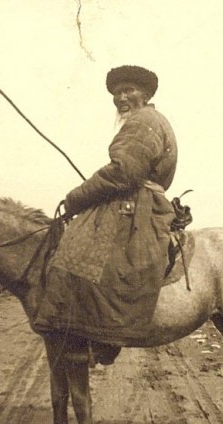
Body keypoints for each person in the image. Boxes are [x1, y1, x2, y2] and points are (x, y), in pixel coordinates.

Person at [34, 65, 178, 359]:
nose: (121, 97)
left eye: (129, 90)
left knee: (75, 255)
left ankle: (99, 335)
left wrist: (76, 197)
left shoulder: (144, 121)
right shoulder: (146, 120)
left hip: (138, 207)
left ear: (145, 94)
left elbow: (124, 171)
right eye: (117, 92)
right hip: (133, 201)